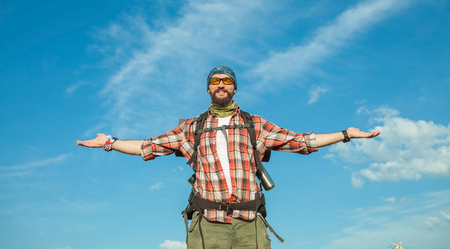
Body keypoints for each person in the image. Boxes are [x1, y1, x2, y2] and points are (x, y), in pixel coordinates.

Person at [77, 65, 380, 249]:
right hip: (209, 223)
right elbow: (147, 146)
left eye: (227, 81)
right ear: (208, 88)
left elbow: (302, 141)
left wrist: (345, 134)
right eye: (215, 81)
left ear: (235, 88)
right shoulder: (192, 128)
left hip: (250, 223)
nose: (221, 85)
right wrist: (110, 142)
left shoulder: (255, 125)